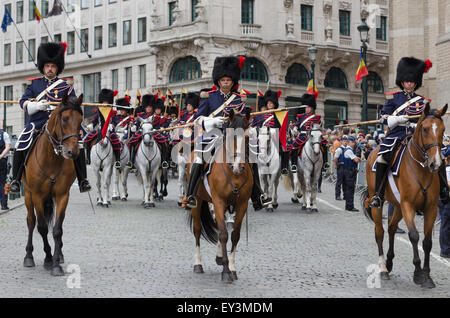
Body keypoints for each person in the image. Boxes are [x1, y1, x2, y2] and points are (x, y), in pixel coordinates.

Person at [182, 55, 271, 211]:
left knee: (252, 156)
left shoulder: (238, 99)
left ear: (232, 82)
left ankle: (258, 195)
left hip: (234, 135)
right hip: (213, 134)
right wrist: (212, 122)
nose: (225, 83)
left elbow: (244, 119)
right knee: (198, 158)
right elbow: (197, 119)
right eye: (223, 80)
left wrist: (250, 129)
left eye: (228, 80)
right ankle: (191, 195)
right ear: (218, 81)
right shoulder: (209, 96)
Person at [10, 42, 91, 194]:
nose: (50, 69)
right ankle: (16, 179)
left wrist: (57, 109)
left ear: (57, 68)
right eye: (47, 66)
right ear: (43, 67)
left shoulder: (66, 87)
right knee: (20, 143)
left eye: (53, 66)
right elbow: (23, 102)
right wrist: (35, 106)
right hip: (37, 123)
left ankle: (83, 180)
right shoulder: (35, 85)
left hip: (59, 125)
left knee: (77, 145)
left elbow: (73, 105)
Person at [370, 56, 449, 207]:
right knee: (383, 157)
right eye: (407, 81)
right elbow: (383, 118)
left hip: (417, 135)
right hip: (397, 135)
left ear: (416, 83)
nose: (410, 83)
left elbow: (428, 119)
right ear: (402, 82)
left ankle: (444, 190)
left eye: (412, 81)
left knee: (440, 155)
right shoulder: (394, 98)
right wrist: (396, 120)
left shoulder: (422, 101)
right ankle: (378, 195)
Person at [288, 94, 324, 175]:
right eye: (306, 107)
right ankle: (294, 165)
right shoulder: (301, 117)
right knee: (294, 147)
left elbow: (318, 127)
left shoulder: (316, 118)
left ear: (312, 108)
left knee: (324, 144)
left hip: (313, 136)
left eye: (308, 107)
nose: (307, 109)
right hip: (303, 136)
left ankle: (325, 164)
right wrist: (294, 129)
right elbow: (297, 125)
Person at [83, 88, 118, 166]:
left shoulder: (112, 110)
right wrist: (91, 125)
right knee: (87, 139)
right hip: (100, 129)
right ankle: (88, 158)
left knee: (116, 142)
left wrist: (113, 125)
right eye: (104, 101)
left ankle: (117, 160)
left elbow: (115, 120)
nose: (105, 103)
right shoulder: (99, 109)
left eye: (106, 101)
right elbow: (96, 120)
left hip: (109, 130)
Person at [342, 136, 361, 212]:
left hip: (348, 171)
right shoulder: (349, 151)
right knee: (350, 189)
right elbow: (356, 160)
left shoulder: (349, 150)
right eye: (353, 142)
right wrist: (358, 158)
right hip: (349, 171)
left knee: (349, 189)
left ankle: (348, 205)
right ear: (350, 142)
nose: (354, 144)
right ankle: (350, 206)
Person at [438, 146, 450, 258]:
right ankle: (445, 250)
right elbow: (448, 184)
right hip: (446, 199)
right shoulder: (447, 169)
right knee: (445, 224)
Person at [333, 135, 349, 200]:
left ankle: (345, 195)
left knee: (345, 182)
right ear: (342, 142)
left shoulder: (348, 149)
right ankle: (337, 195)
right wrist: (336, 165)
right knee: (339, 182)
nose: (345, 142)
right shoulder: (339, 149)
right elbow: (335, 158)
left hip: (346, 167)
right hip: (341, 166)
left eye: (346, 141)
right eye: (344, 141)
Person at [0, 129, 11, 210]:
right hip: (2, 160)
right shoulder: (4, 134)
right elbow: (8, 147)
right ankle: (4, 205)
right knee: (3, 182)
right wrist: (1, 156)